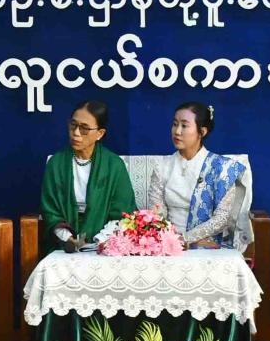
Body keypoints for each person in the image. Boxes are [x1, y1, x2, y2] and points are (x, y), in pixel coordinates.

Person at [37, 100, 136, 255]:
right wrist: (67, 237)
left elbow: (123, 214)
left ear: (100, 134)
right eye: (73, 125)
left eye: (84, 128)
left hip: (104, 243)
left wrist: (100, 240)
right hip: (62, 242)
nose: (76, 133)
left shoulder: (114, 165)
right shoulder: (56, 163)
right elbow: (50, 211)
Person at [147, 101, 250, 251]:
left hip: (208, 243)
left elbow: (222, 219)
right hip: (168, 244)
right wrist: (173, 240)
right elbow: (156, 213)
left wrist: (186, 239)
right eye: (175, 124)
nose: (177, 131)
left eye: (184, 125)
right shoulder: (162, 166)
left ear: (202, 131)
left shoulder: (222, 168)